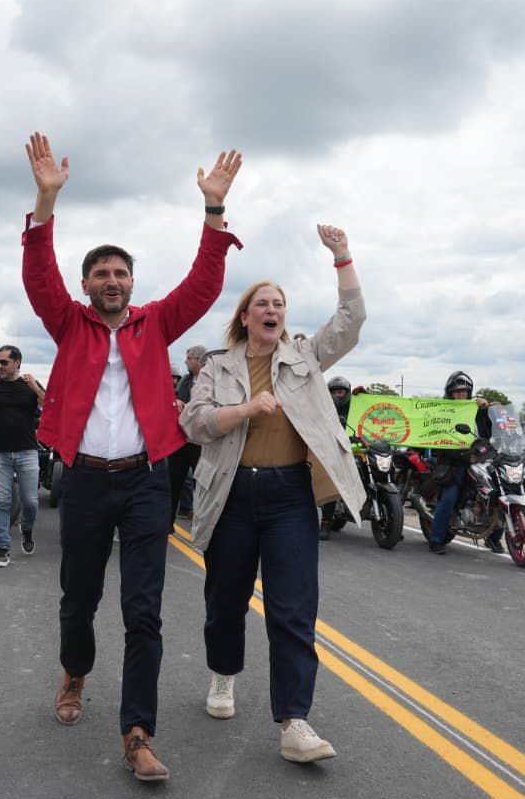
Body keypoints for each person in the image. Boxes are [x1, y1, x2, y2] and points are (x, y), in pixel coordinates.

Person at [22, 131, 243, 782]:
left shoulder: (157, 323)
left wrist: (213, 210)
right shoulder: (68, 321)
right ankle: (74, 671)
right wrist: (46, 199)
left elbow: (204, 284)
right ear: (87, 284)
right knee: (78, 599)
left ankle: (138, 731)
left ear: (132, 284)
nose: (112, 281)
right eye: (102, 274)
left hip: (147, 481)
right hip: (85, 481)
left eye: (121, 273)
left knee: (143, 611)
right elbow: (37, 274)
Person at [179, 223, 365, 764]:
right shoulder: (217, 365)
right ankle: (223, 674)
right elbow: (194, 422)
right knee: (225, 603)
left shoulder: (304, 357)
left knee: (293, 610)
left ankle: (294, 721)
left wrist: (342, 256)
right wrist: (245, 409)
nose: (272, 310)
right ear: (245, 315)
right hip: (231, 494)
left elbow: (351, 322)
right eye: (262, 303)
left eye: (279, 304)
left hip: (289, 496)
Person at [0, 344, 45, 567]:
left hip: (27, 452)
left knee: (30, 502)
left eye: (4, 362)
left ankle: (27, 530)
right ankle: (2, 548)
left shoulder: (30, 386)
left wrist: (35, 388)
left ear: (17, 362)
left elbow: (51, 405)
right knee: (2, 501)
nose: (0, 366)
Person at [427, 371, 495, 554]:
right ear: (450, 394)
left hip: (480, 461)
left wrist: (486, 409)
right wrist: (466, 457)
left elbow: (488, 433)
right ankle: (436, 539)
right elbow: (441, 443)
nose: (461, 395)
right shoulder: (443, 413)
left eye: (464, 392)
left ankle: (494, 538)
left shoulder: (475, 411)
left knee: (496, 494)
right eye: (457, 392)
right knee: (449, 498)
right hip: (454, 463)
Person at [168, 344, 208, 524]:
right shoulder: (185, 380)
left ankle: (201, 524)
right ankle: (167, 524)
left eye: (189, 358)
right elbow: (174, 397)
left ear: (199, 360)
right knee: (173, 482)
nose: (186, 362)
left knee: (202, 485)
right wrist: (175, 401)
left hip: (201, 442)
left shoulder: (212, 380)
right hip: (181, 439)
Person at [317, 375, 353, 540]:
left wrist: (365, 397)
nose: (338, 395)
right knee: (333, 482)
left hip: (355, 446)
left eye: (341, 392)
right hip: (334, 448)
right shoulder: (324, 407)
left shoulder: (354, 406)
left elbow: (369, 414)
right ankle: (325, 522)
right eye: (334, 392)